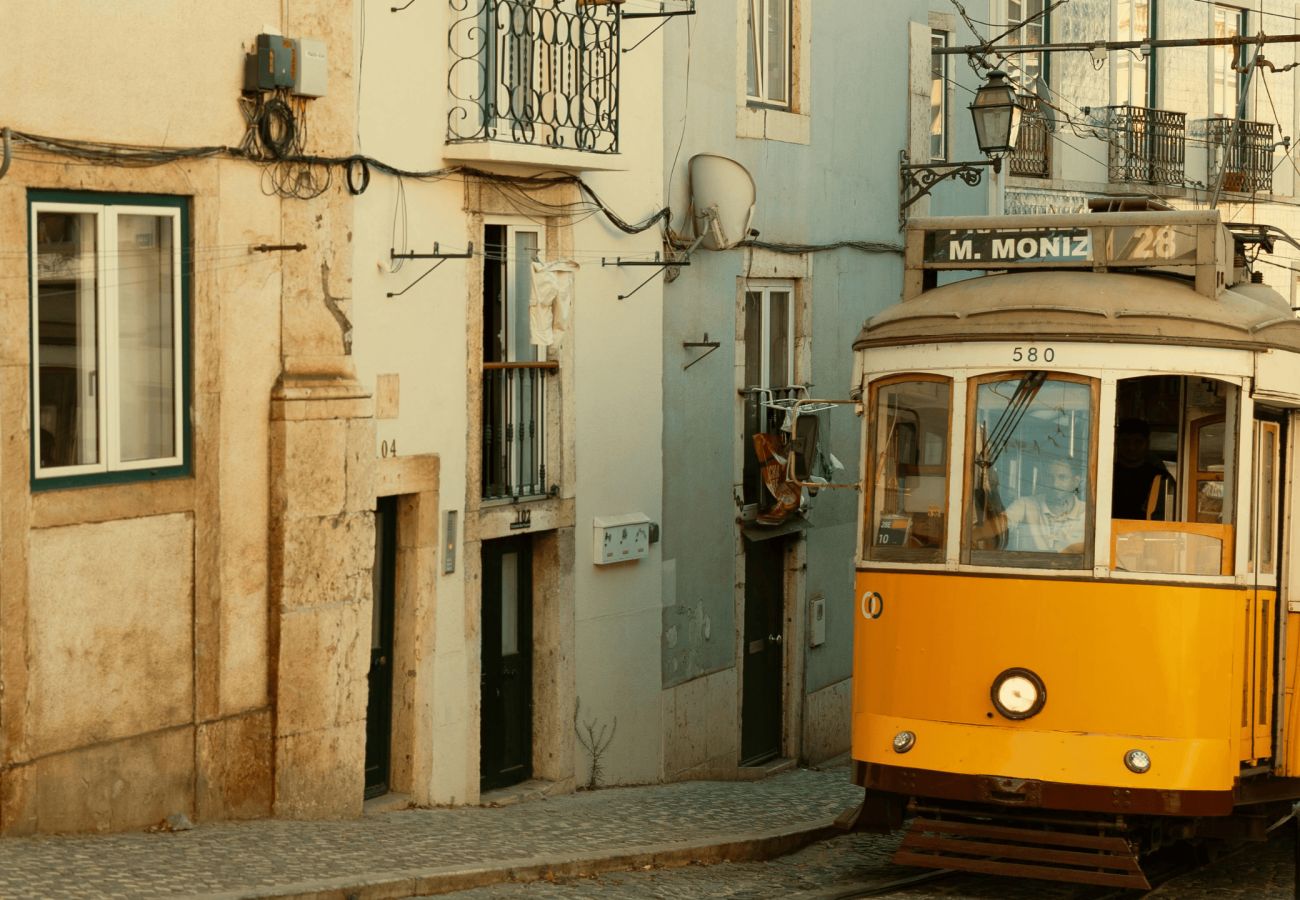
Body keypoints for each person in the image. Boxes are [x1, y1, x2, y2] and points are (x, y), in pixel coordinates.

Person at [1001, 457, 1087, 553]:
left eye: (1062, 477)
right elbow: (997, 526)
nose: (1055, 484)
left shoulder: (1089, 513)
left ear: (1075, 481)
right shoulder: (1025, 504)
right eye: (1049, 477)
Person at [1112, 418, 1173, 520]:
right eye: (1126, 441)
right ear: (1117, 443)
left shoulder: (1161, 478)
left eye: (1138, 442)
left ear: (1147, 444)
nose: (1131, 447)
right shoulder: (1106, 473)